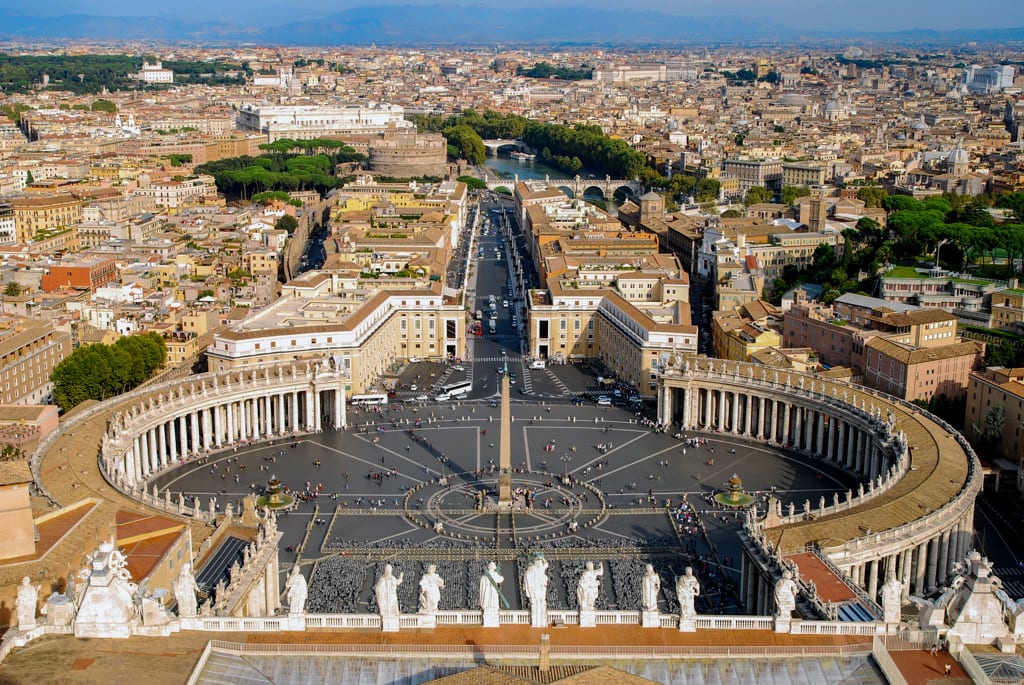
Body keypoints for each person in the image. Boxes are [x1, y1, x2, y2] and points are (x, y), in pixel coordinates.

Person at [524, 554, 549, 624]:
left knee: (541, 602)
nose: (539, 563)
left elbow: (546, 564)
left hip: (540, 587)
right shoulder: (534, 569)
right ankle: (537, 621)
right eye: (539, 561)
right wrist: (542, 558)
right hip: (536, 588)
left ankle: (540, 620)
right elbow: (546, 564)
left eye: (540, 561)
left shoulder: (540, 568)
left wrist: (542, 557)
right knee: (536, 603)